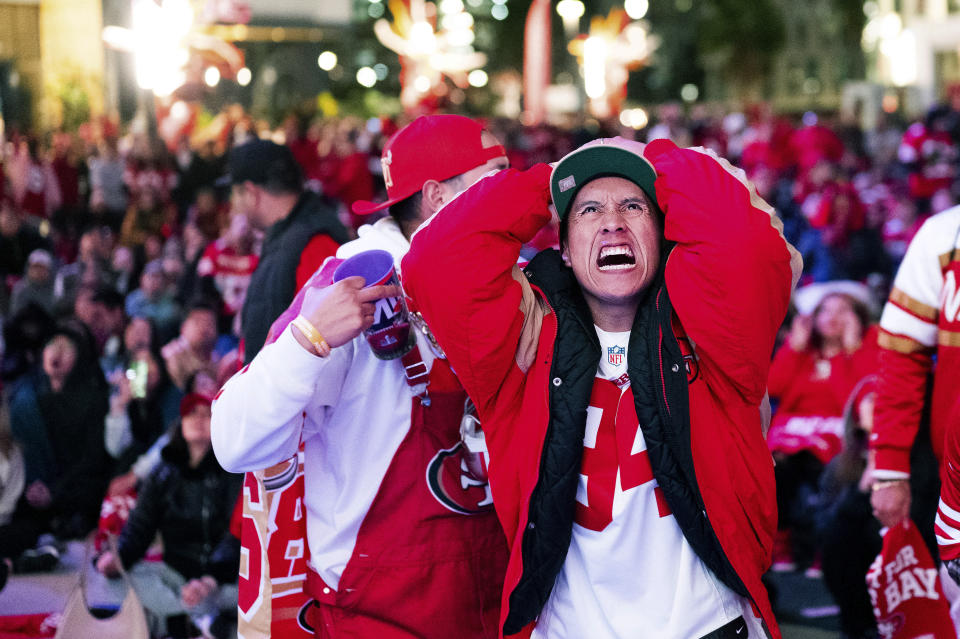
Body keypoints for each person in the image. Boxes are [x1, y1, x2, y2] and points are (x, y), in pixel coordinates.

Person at [402, 137, 802, 638]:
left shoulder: (718, 334)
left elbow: (740, 236)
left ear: (663, 233)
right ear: (563, 251)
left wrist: (653, 152)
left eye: (633, 206)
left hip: (711, 625)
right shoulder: (519, 346)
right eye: (589, 210)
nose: (613, 221)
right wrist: (546, 182)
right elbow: (437, 259)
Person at [212, 114, 511, 638]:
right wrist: (309, 338)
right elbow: (233, 439)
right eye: (498, 177)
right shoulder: (351, 281)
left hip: (492, 602)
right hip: (380, 612)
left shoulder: (514, 282)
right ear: (439, 197)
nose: (516, 194)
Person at [96, 393, 241, 639]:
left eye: (207, 414)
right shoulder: (163, 473)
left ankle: (182, 619)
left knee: (254, 591)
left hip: (220, 578)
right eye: (192, 414)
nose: (199, 419)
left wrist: (209, 581)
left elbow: (236, 534)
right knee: (115, 578)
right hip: (175, 576)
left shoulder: (233, 471)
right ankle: (199, 619)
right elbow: (140, 526)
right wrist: (117, 559)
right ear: (180, 423)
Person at [766, 290, 876, 572]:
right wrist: (794, 348)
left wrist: (850, 352)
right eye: (825, 311)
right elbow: (774, 388)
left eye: (843, 311)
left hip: (841, 430)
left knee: (826, 470)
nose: (832, 318)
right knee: (776, 467)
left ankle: (822, 544)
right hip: (794, 431)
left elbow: (854, 398)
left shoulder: (867, 346)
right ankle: (781, 540)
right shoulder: (802, 349)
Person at [226, 138, 349, 363]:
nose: (233, 204)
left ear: (251, 192)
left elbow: (330, 346)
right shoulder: (289, 236)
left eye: (234, 193)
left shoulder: (314, 243)